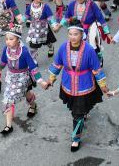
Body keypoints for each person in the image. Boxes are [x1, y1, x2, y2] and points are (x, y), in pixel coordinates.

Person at [41, 18, 108, 151]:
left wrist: (103, 85)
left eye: (75, 34)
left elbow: (96, 69)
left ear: (82, 35)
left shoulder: (89, 50)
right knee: (76, 109)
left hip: (84, 84)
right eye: (70, 34)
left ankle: (75, 138)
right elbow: (57, 64)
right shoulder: (63, 48)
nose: (72, 37)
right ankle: (83, 113)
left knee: (77, 113)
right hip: (68, 84)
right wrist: (51, 79)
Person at [0, 23, 43, 135]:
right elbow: (3, 62)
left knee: (26, 94)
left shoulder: (24, 52)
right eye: (6, 39)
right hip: (10, 78)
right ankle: (9, 125)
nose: (8, 41)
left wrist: (41, 80)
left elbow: (33, 67)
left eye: (11, 39)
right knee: (8, 99)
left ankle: (33, 105)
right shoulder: (6, 49)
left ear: (18, 40)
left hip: (23, 77)